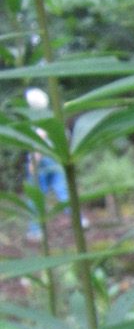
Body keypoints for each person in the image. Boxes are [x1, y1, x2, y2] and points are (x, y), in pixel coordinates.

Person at [24, 87, 69, 241]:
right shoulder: (51, 118)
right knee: (63, 191)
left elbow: (39, 142)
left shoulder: (36, 122)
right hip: (55, 160)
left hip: (42, 163)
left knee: (36, 197)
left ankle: (35, 231)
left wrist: (33, 162)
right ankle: (79, 221)